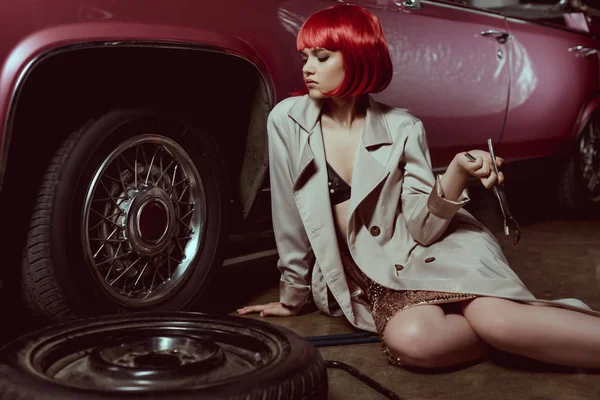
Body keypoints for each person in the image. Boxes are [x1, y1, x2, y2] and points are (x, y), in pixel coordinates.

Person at [238, 4, 600, 369]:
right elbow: (288, 215)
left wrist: (457, 171)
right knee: (414, 344)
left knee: (497, 320)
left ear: (359, 58)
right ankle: (536, 331)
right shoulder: (287, 120)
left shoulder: (403, 127)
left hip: (436, 250)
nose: (308, 68)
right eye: (305, 57)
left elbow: (424, 230)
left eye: (322, 57)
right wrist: (293, 295)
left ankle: (516, 328)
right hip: (371, 277)